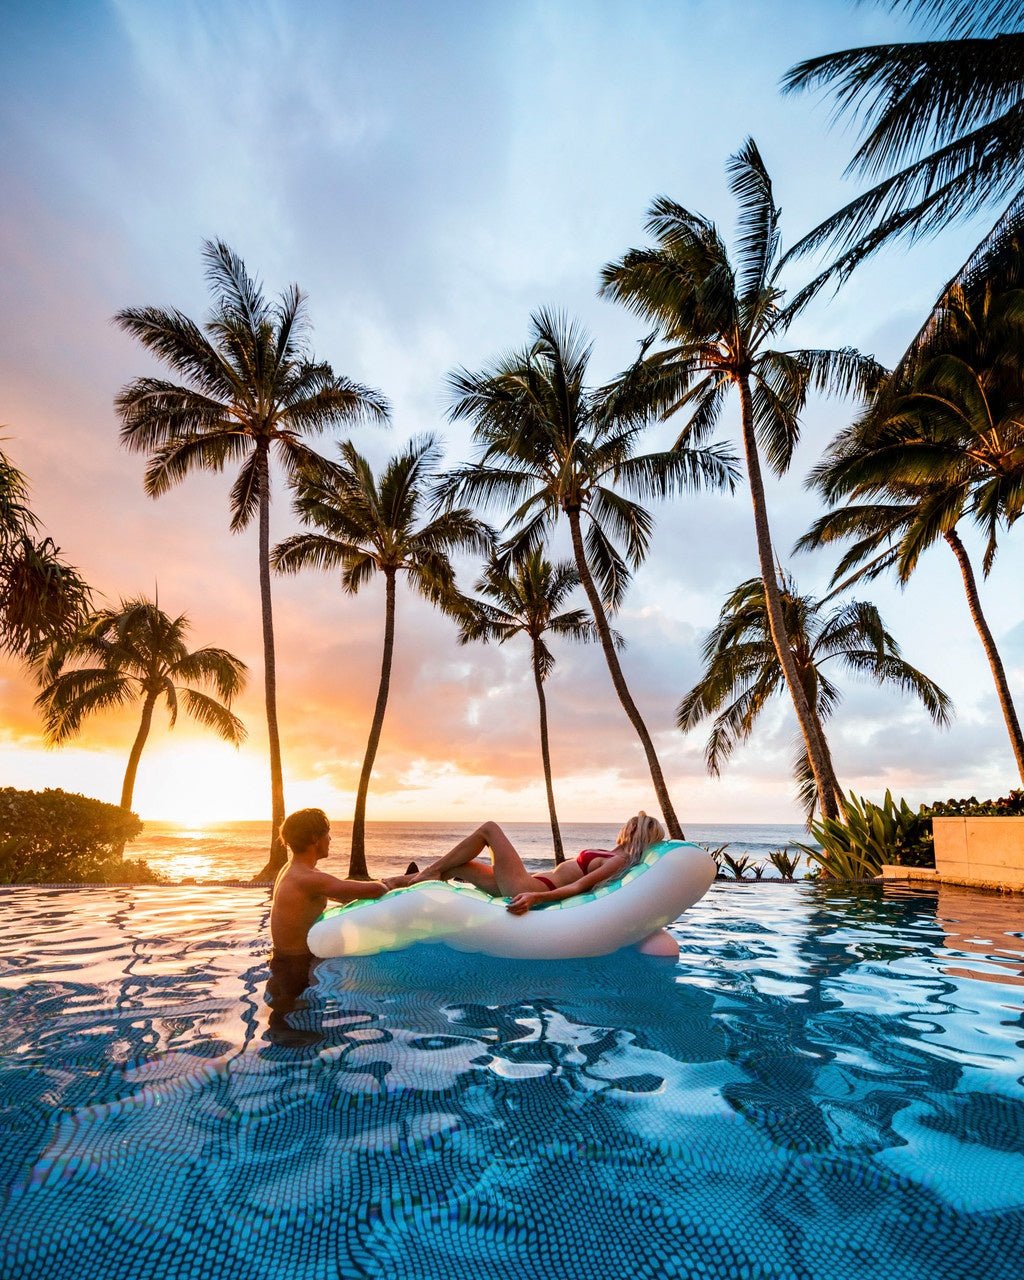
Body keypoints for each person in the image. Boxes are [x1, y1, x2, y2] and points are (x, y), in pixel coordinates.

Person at [399, 812, 667, 916]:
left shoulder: (619, 860)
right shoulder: (613, 853)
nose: (627, 824)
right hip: (526, 881)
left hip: (527, 885)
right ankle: (392, 886)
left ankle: (431, 871)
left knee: (489, 829)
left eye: (632, 823)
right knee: (457, 868)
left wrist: (536, 897)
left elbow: (579, 887)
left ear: (634, 830)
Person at [269, 808, 395, 956]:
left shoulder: (290, 869)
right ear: (315, 838)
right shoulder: (308, 879)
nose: (330, 839)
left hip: (283, 959)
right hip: (297, 967)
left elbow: (341, 891)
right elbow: (378, 890)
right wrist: (389, 883)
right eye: (327, 834)